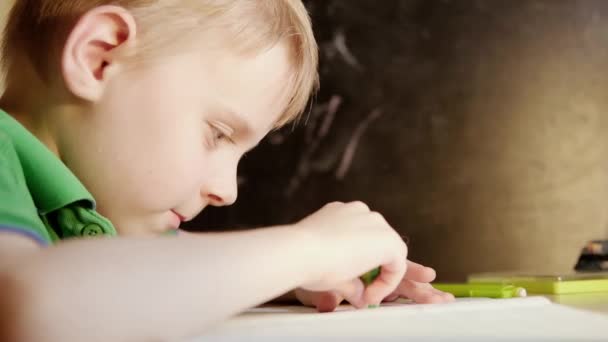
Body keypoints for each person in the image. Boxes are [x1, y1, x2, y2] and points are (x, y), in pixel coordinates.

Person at [0, 1, 453, 341]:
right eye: (218, 134)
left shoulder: (92, 221)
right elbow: (29, 307)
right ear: (100, 57)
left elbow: (137, 278)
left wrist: (290, 279)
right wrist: (306, 250)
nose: (227, 191)